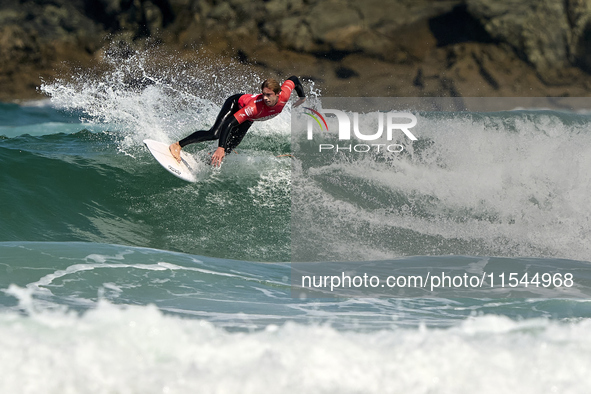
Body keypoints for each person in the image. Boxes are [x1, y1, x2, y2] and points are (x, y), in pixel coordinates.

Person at [169, 76, 306, 167]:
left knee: (233, 144)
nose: (265, 98)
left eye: (268, 95)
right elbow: (229, 124)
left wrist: (302, 97)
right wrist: (220, 147)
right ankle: (178, 145)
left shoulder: (285, 94)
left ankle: (206, 161)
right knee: (215, 133)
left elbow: (294, 79)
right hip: (235, 104)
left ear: (278, 93)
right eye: (263, 94)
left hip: (249, 119)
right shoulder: (254, 107)